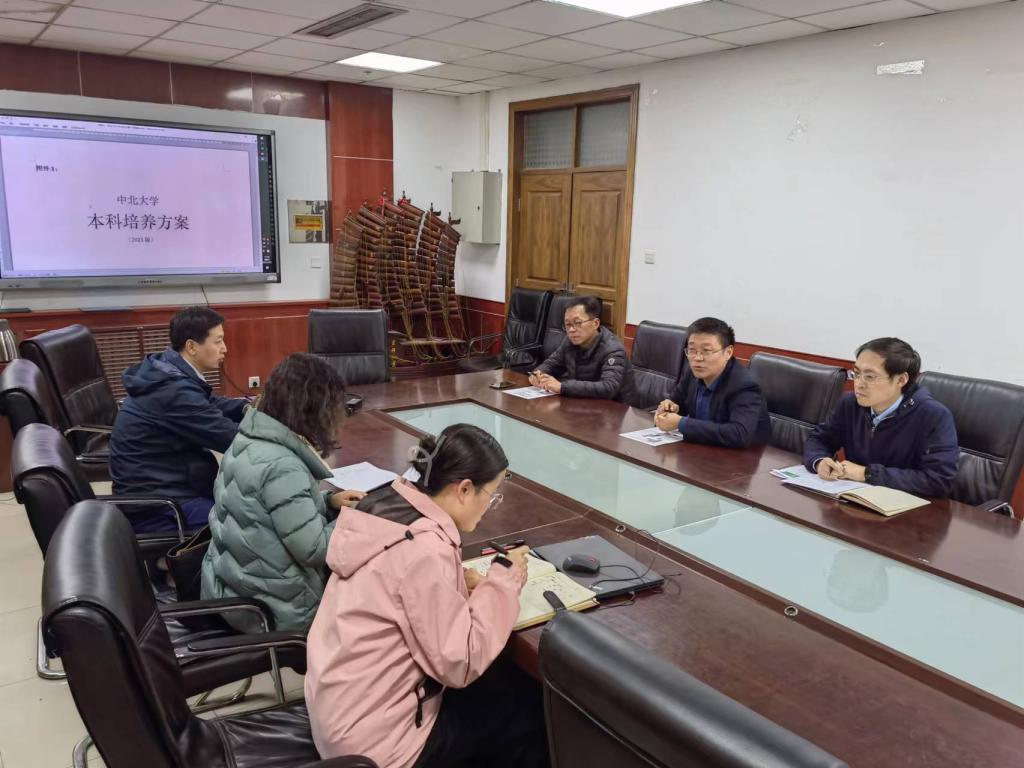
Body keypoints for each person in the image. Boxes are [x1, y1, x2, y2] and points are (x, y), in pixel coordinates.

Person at [306, 424, 549, 768]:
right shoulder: (426, 550)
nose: (489, 506)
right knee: (529, 710)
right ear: (464, 489)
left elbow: (397, 587)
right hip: (376, 744)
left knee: (499, 687)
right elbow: (460, 663)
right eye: (492, 495)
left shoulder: (385, 508)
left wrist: (456, 581)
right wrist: (505, 578)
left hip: (338, 710)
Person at [201, 353, 365, 631]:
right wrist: (352, 518)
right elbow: (315, 550)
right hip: (277, 611)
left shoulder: (248, 437)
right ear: (315, 410)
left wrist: (327, 501)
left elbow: (266, 510)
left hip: (233, 587)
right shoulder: (283, 466)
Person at [110, 306, 248, 533]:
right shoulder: (173, 391)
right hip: (159, 507)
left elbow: (208, 404)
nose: (225, 348)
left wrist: (247, 408)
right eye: (218, 341)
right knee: (250, 521)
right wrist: (278, 433)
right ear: (192, 346)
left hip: (169, 484)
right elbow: (230, 438)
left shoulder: (167, 369)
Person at [803, 337, 958, 497]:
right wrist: (819, 461)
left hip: (907, 506)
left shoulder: (933, 416)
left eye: (870, 377)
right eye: (857, 374)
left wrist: (867, 473)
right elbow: (819, 439)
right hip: (855, 499)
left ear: (901, 380)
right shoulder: (850, 404)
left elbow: (938, 480)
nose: (859, 384)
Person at [653, 317, 770, 448]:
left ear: (728, 352)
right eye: (692, 350)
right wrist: (669, 409)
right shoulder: (693, 372)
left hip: (740, 457)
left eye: (706, 351)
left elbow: (739, 434)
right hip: (700, 450)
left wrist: (681, 423)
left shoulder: (744, 386)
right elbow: (676, 403)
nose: (697, 358)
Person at [528, 295, 635, 402]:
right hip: (582, 402)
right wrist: (538, 374)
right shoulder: (569, 341)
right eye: (568, 324)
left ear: (595, 323)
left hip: (616, 407)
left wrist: (563, 387)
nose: (571, 330)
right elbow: (552, 363)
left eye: (578, 323)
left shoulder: (613, 349)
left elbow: (608, 387)